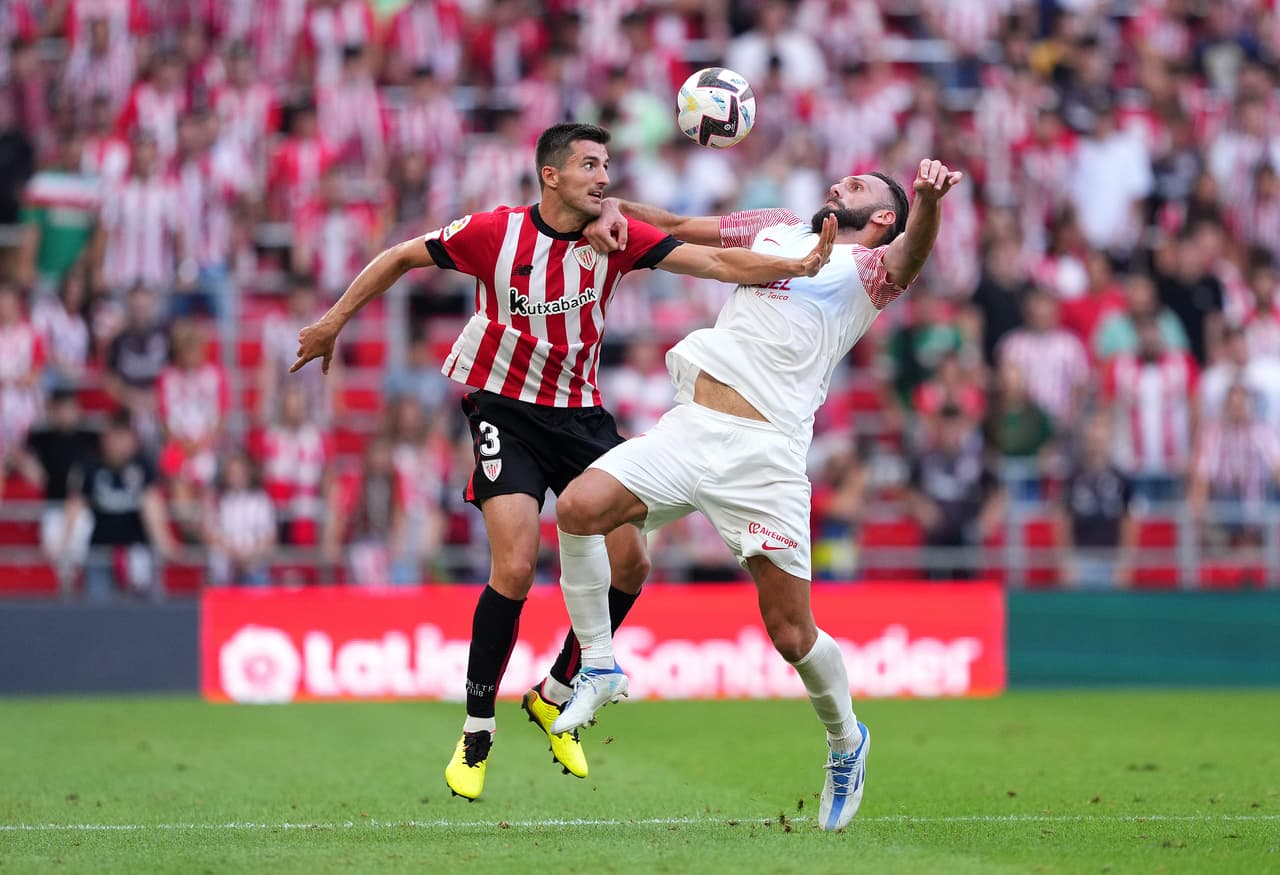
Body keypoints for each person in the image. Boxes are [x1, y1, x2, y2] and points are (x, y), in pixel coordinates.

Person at [290, 123, 835, 801]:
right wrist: (334, 320)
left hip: (581, 417)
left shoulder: (615, 235)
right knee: (514, 565)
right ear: (551, 175)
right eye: (588, 164)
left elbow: (718, 265)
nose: (603, 176)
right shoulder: (494, 233)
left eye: (606, 164)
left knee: (634, 562)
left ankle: (554, 691)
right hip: (504, 410)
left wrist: (797, 265)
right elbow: (402, 255)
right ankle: (477, 728)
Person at [545, 158, 962, 831]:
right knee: (576, 508)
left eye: (858, 188)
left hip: (765, 456)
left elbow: (914, 250)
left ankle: (846, 740)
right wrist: (603, 203)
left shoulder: (871, 271)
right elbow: (678, 226)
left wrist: (927, 201)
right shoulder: (773, 228)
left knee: (792, 632)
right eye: (841, 179)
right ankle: (596, 665)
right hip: (690, 430)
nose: (838, 186)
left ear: (883, 215)